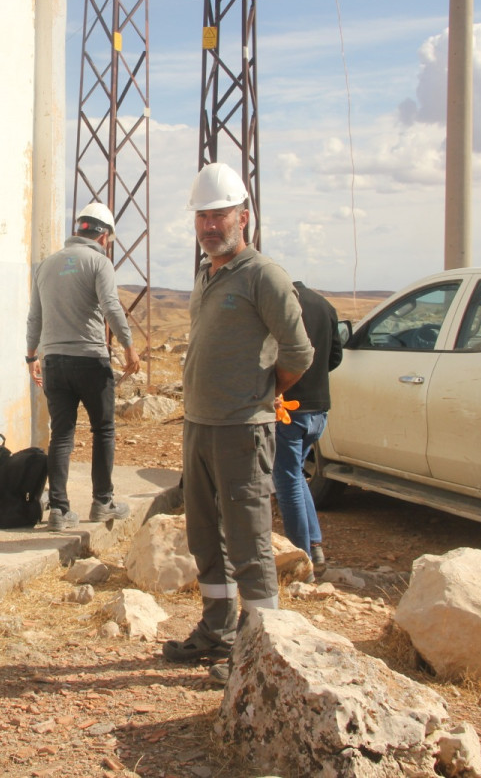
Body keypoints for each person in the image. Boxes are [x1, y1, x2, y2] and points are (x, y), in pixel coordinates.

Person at [163, 163, 313, 670]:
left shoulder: (263, 276)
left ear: (243, 217)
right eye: (202, 216)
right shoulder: (208, 273)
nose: (209, 226)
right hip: (200, 425)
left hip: (243, 429)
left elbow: (299, 351)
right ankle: (219, 630)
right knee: (206, 536)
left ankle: (260, 653)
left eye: (219, 215)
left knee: (249, 543)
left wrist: (264, 392)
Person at [25, 202, 141, 531]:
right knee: (103, 430)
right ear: (103, 236)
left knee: (61, 433)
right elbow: (111, 308)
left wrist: (31, 357)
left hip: (55, 363)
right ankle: (102, 502)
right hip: (90, 360)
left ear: (79, 229)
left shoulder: (45, 266)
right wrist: (129, 346)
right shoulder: (99, 262)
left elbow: (35, 316)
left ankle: (59, 509)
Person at [274, 281, 342, 574]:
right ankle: (314, 544)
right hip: (319, 408)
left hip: (290, 408)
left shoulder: (281, 304)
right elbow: (335, 357)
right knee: (297, 475)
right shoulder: (324, 304)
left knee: (287, 481)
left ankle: (301, 555)